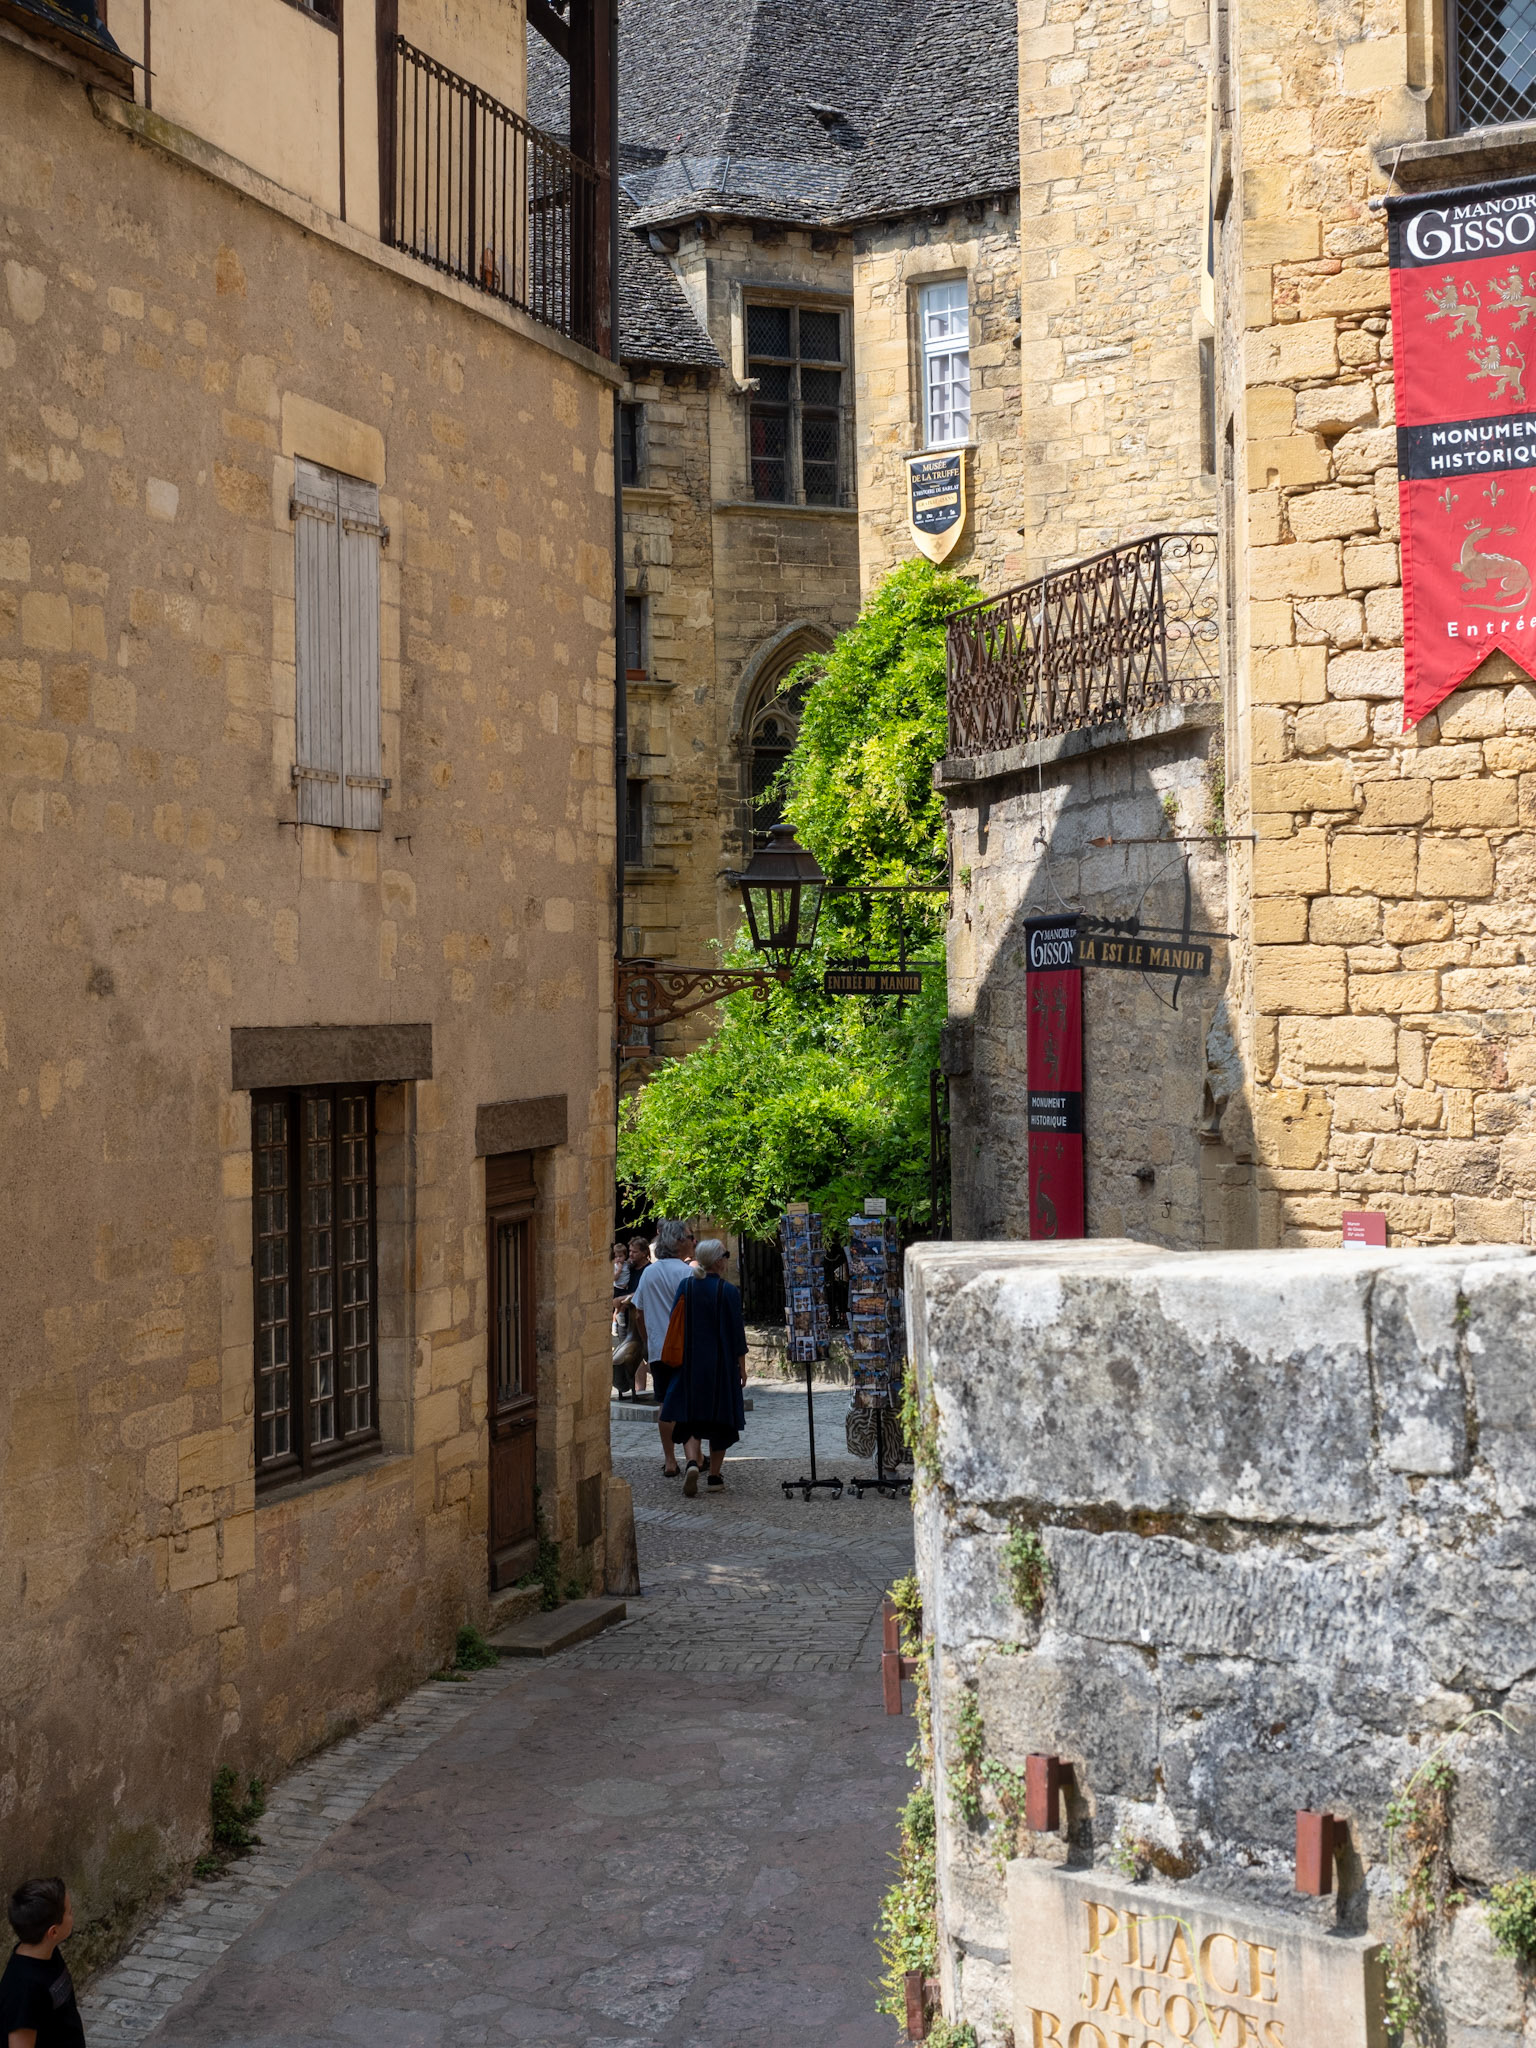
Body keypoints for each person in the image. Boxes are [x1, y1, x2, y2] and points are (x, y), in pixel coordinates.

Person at [662, 1239, 748, 1496]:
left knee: (690, 1417)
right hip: (720, 1367)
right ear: (719, 1260)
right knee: (721, 1422)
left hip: (689, 1364)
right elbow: (737, 1336)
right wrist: (742, 1368)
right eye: (726, 1255)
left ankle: (691, 1462)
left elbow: (674, 1320)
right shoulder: (728, 1291)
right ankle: (714, 1477)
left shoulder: (686, 1286)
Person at [630, 1220, 696, 1459]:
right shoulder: (689, 1273)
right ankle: (693, 1458)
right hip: (686, 1350)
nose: (694, 1242)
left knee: (664, 1404)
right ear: (678, 1242)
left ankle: (669, 1460)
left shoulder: (649, 1273)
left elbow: (639, 1313)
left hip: (659, 1349)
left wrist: (649, 1340)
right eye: (690, 1237)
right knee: (689, 1403)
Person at [0, 1877, 85, 2048]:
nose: (72, 1914)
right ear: (53, 1932)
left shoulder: (47, 1951)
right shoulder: (23, 1988)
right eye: (69, 1912)